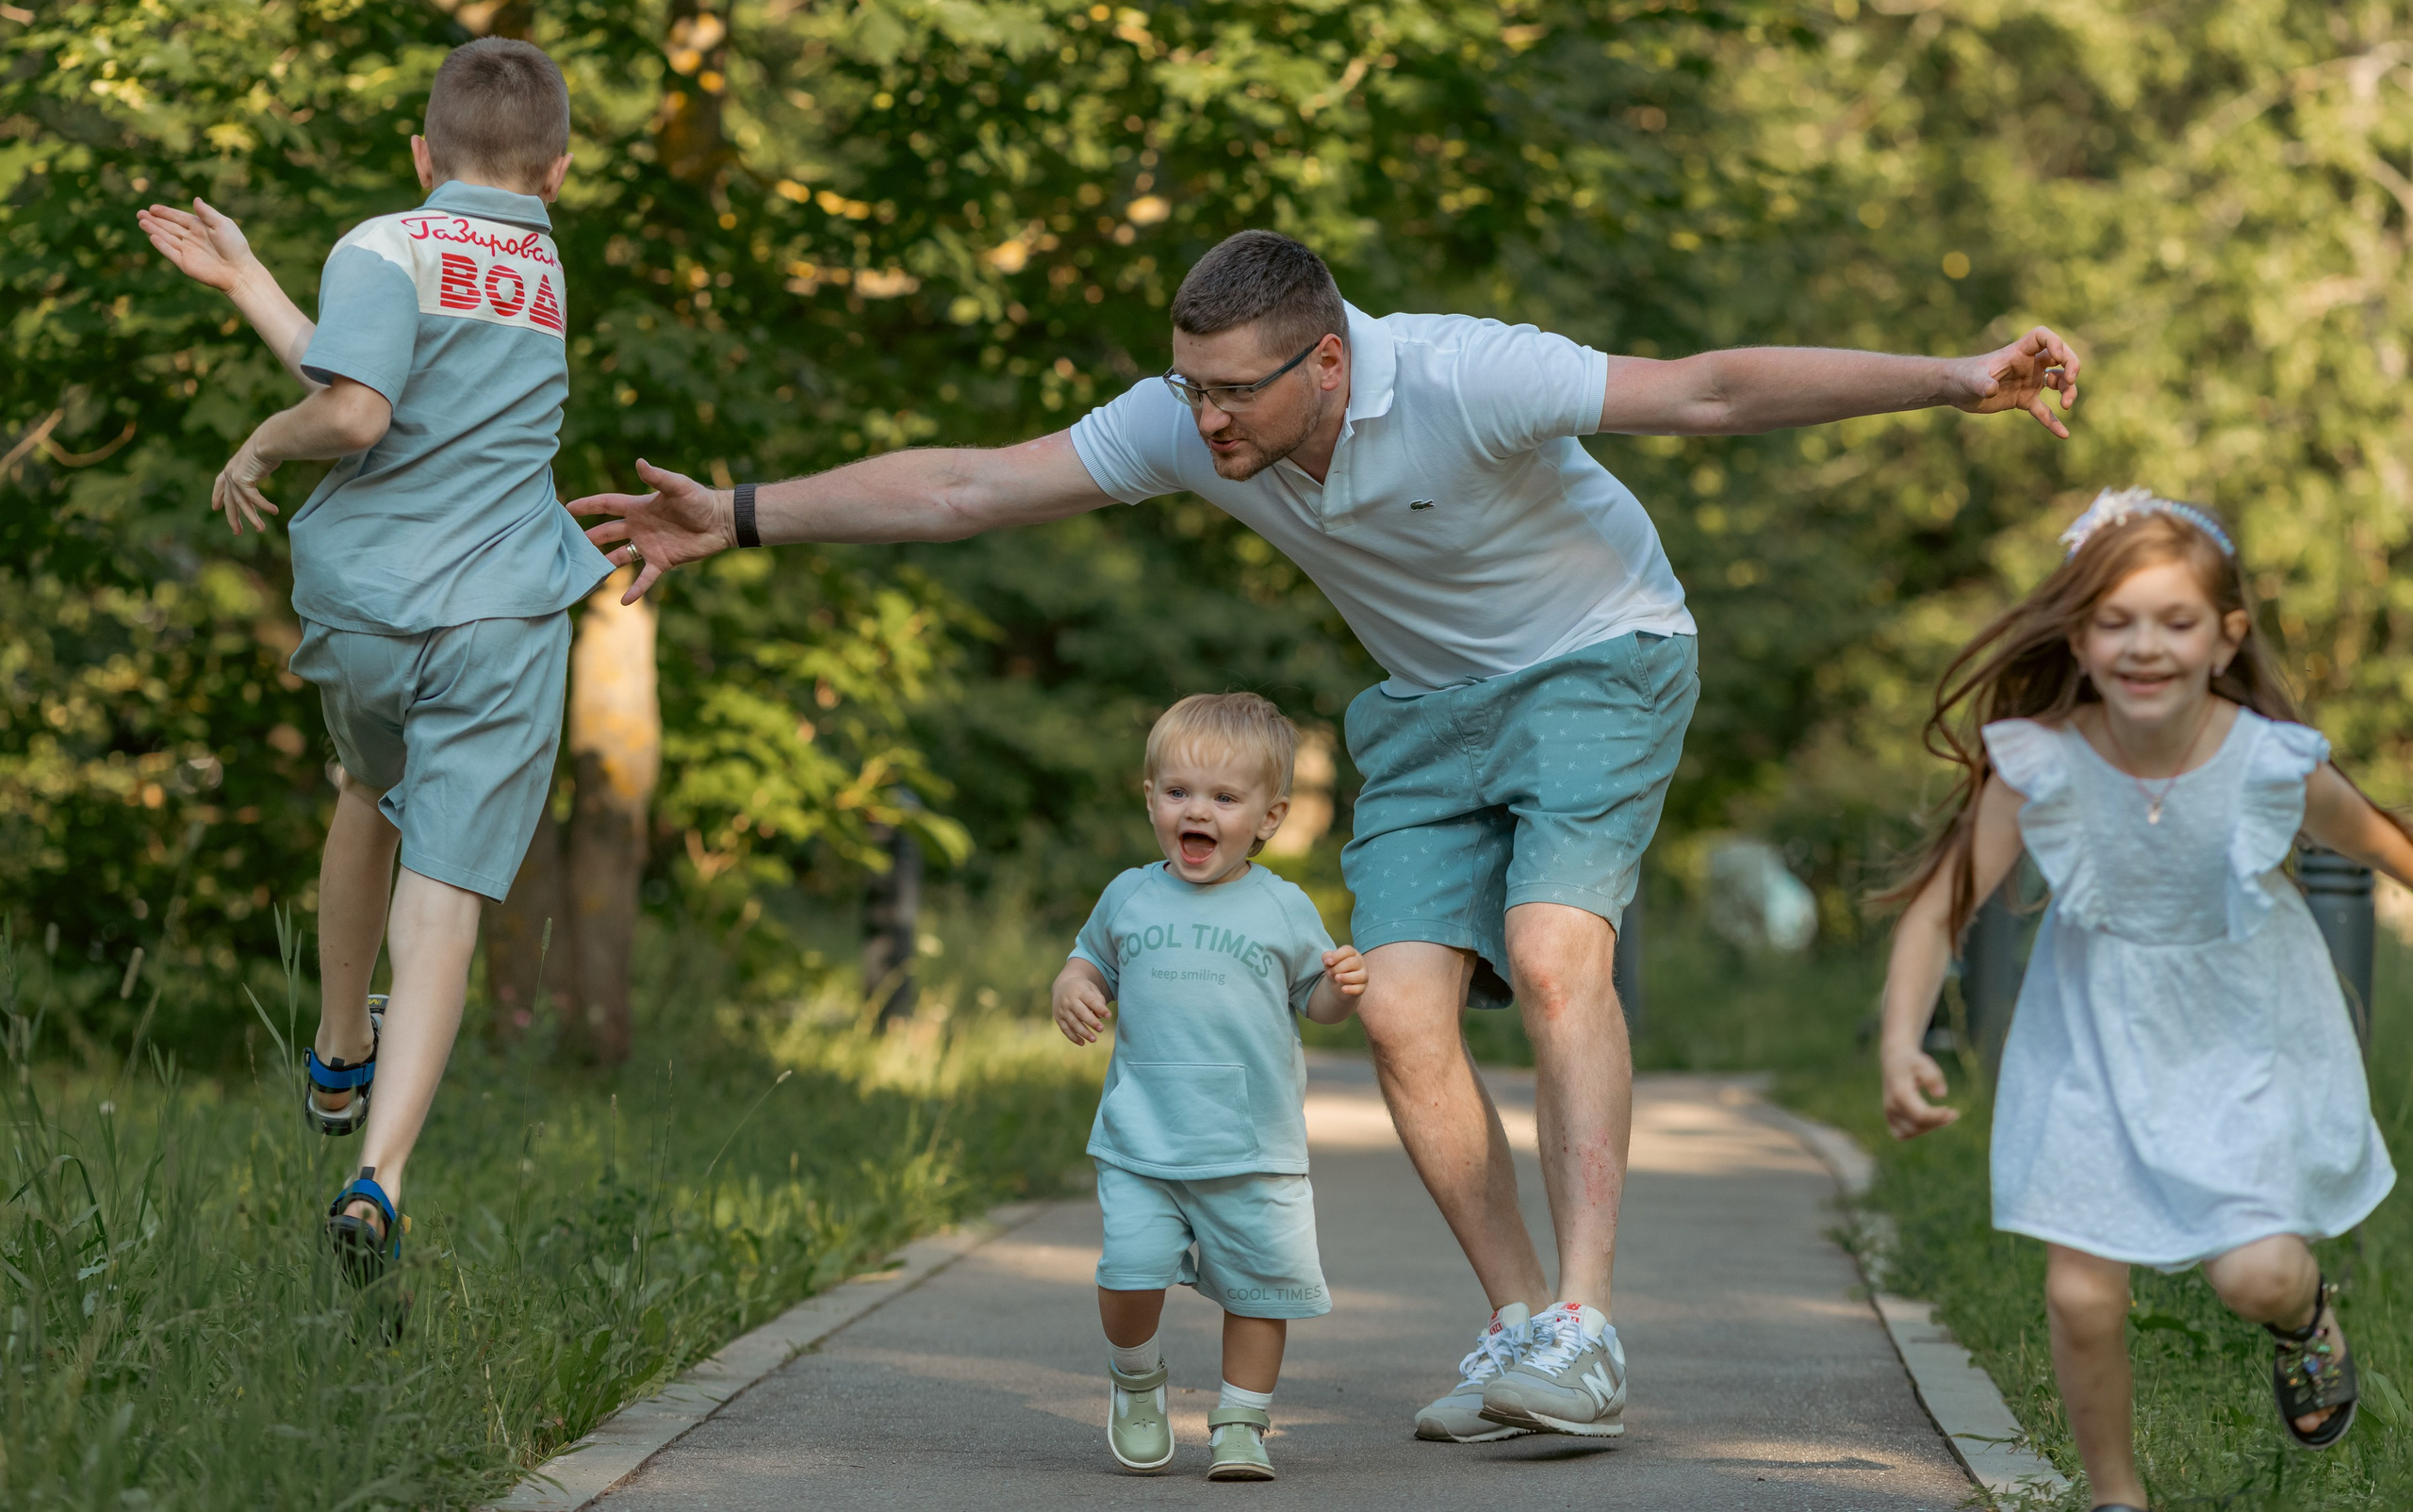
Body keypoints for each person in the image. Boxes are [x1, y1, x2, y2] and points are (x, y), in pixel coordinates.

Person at [572, 228, 2080, 1438]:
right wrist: (746, 514)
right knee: (1403, 1008)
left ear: (1331, 357)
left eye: (1235, 391)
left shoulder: (1467, 374)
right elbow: (975, 483)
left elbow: (1706, 391)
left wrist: (1952, 377)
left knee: (1558, 953)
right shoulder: (1187, 420)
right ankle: (1514, 1321)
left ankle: (1592, 1324)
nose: (1204, 417)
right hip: (1426, 703)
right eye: (1191, 387)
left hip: (1603, 654)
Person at [137, 38, 611, 1279]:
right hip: (505, 612)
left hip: (372, 609)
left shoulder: (384, 241)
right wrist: (248, 279)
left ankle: (340, 1045)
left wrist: (257, 441)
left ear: (419, 153)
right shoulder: (546, 262)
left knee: (364, 789)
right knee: (444, 887)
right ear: (556, 171)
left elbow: (353, 405)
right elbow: (372, 379)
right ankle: (380, 1175)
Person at [1878, 490, 2402, 1507]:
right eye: (2115, 622)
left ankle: (2304, 1323)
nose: (2143, 647)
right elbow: (1938, 913)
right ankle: (2118, 1499)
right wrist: (1902, 1039)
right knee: (2079, 1297)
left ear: (2224, 638)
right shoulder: (2042, 768)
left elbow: (2390, 848)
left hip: (2247, 1041)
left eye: (2174, 622)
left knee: (2254, 1275)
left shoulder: (2266, 764)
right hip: (2090, 1048)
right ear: (2077, 639)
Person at [1050, 692, 1369, 1480]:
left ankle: (1239, 1420)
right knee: (1126, 1271)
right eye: (1180, 792)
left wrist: (1342, 986)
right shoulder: (1128, 893)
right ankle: (1136, 1375)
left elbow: (1315, 1005)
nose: (1200, 811)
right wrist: (1072, 982)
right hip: (1142, 1138)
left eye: (1226, 798)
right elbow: (1090, 958)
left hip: (1253, 1146)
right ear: (1151, 797)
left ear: (1269, 816)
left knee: (1260, 1294)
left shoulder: (1283, 906)